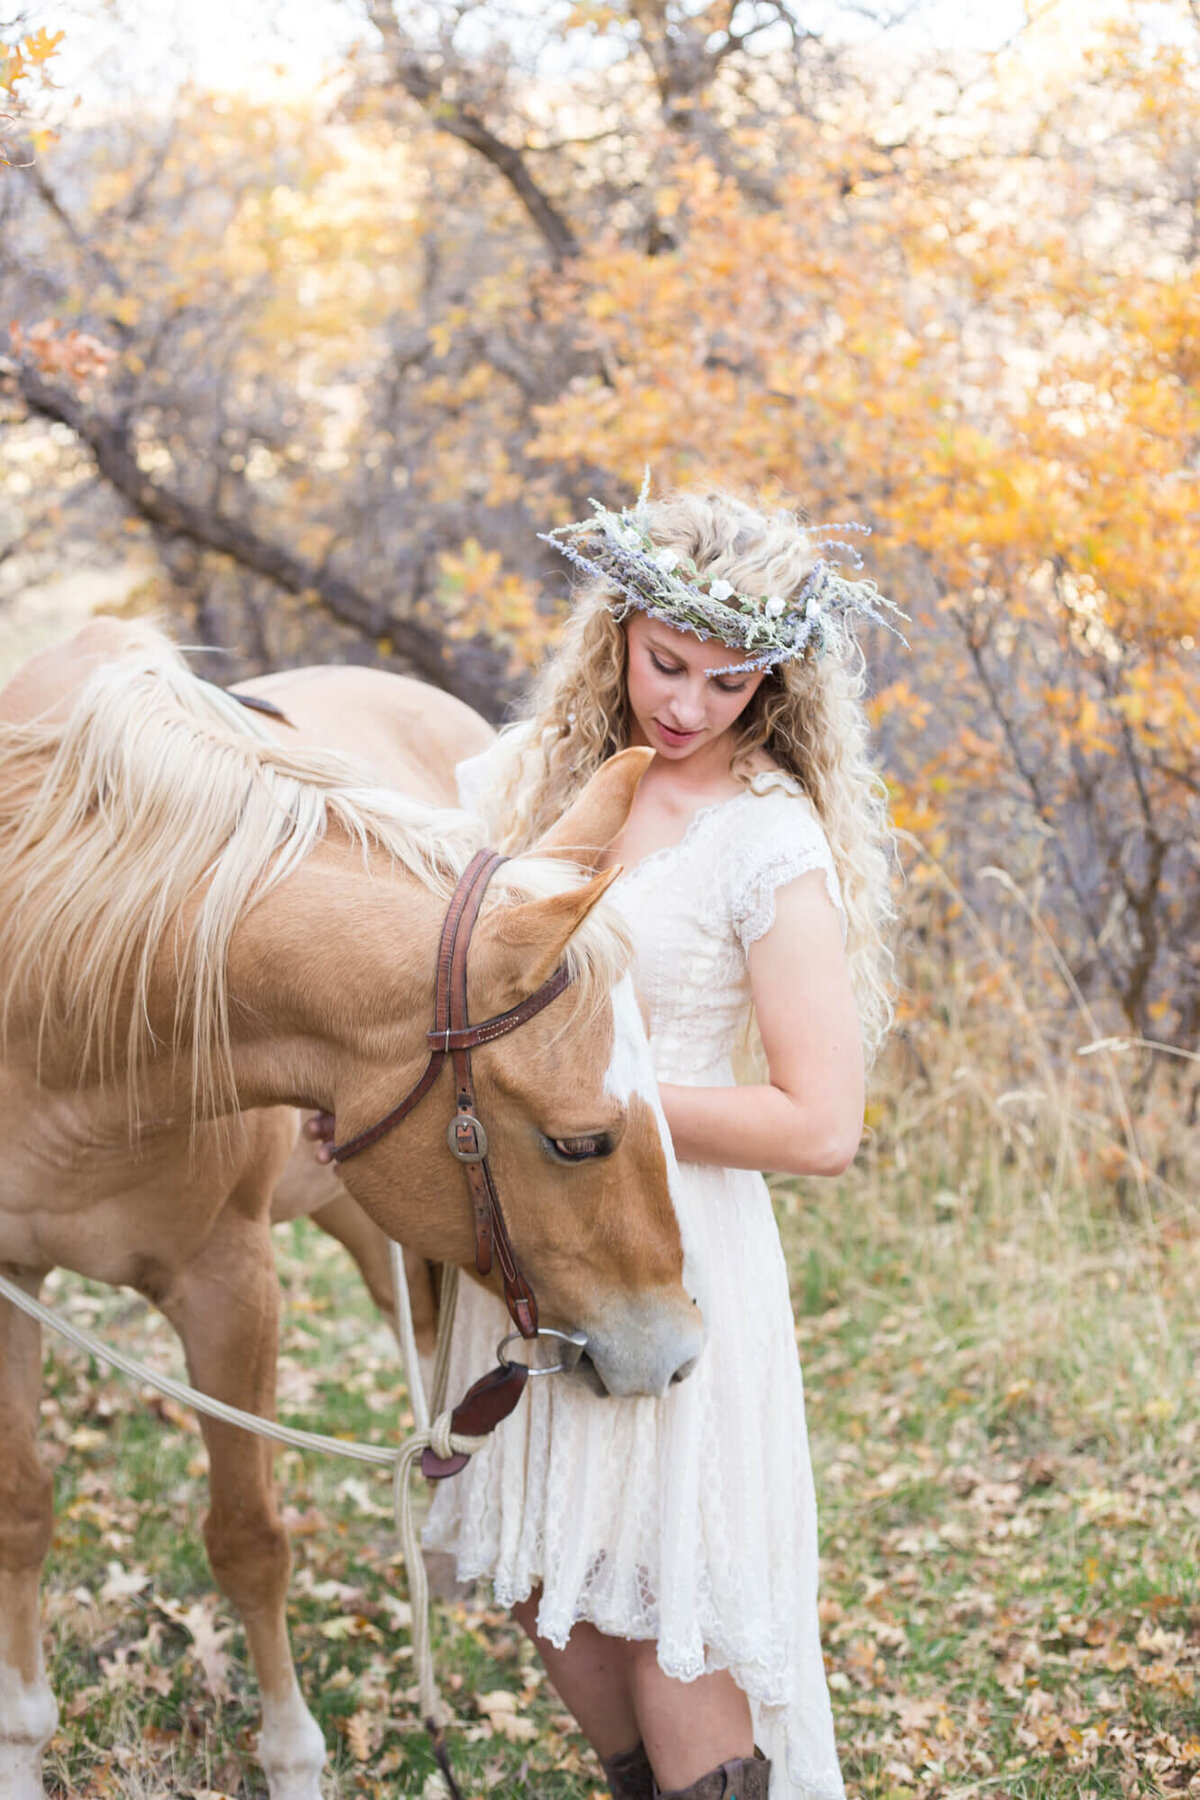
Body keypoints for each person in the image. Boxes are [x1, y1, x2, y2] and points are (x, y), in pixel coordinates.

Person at [413, 485, 903, 1800]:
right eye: (666, 664)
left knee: (667, 1614)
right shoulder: (529, 778)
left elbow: (821, 1124)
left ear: (773, 684)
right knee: (552, 1593)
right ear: (618, 631)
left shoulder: (767, 840)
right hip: (532, 1241)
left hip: (670, 1245)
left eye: (729, 682)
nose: (686, 705)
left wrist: (597, 1095)